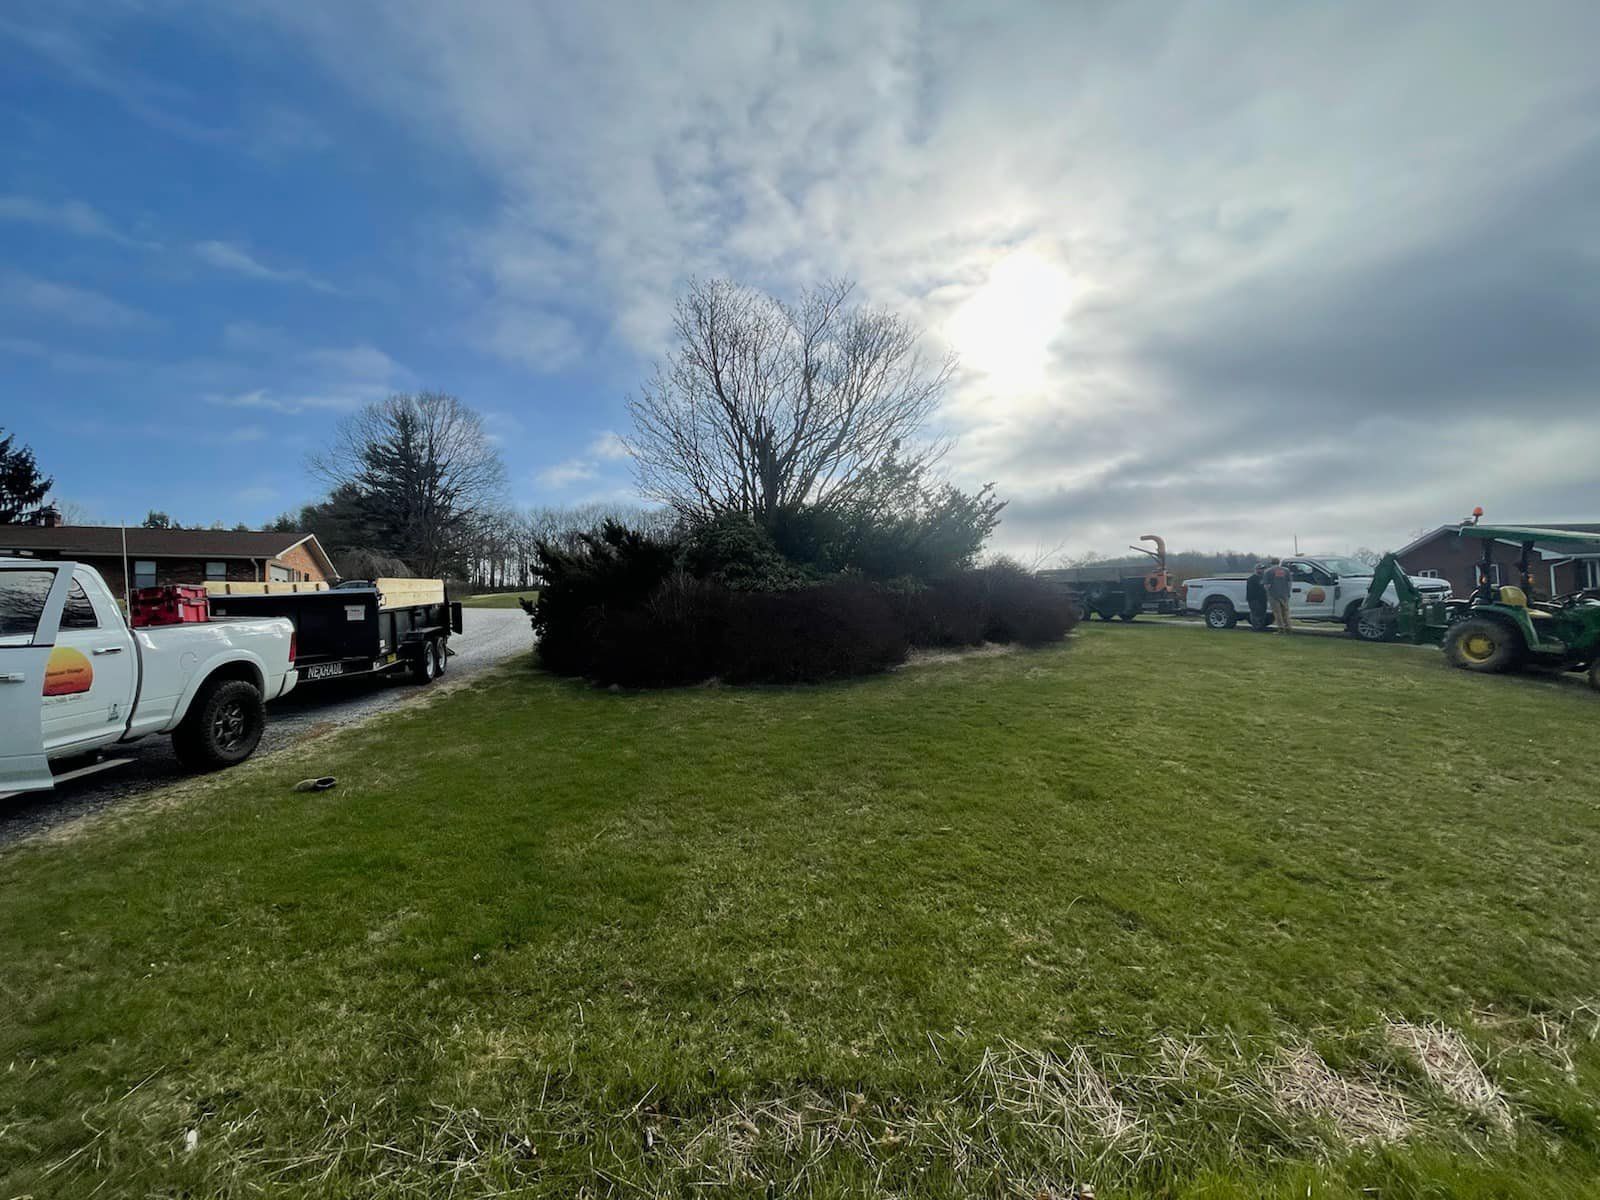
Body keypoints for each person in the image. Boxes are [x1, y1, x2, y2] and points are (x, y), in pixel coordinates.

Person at [1263, 557, 1293, 634]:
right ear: (1279, 562)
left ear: (1271, 563)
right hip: (1284, 594)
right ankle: (1288, 628)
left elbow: (1267, 585)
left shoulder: (1268, 571)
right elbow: (1289, 583)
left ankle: (1281, 628)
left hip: (1273, 595)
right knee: (1285, 612)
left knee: (1277, 613)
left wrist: (1267, 593)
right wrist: (1288, 592)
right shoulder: (1286, 570)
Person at [1245, 562, 1269, 630]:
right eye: (1261, 569)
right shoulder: (1252, 578)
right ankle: (1256, 627)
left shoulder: (1263, 577)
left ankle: (1261, 626)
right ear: (1256, 569)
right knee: (1256, 614)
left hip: (1263, 599)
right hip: (1254, 599)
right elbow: (1260, 587)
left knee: (1262, 613)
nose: (1262, 570)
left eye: (1263, 569)